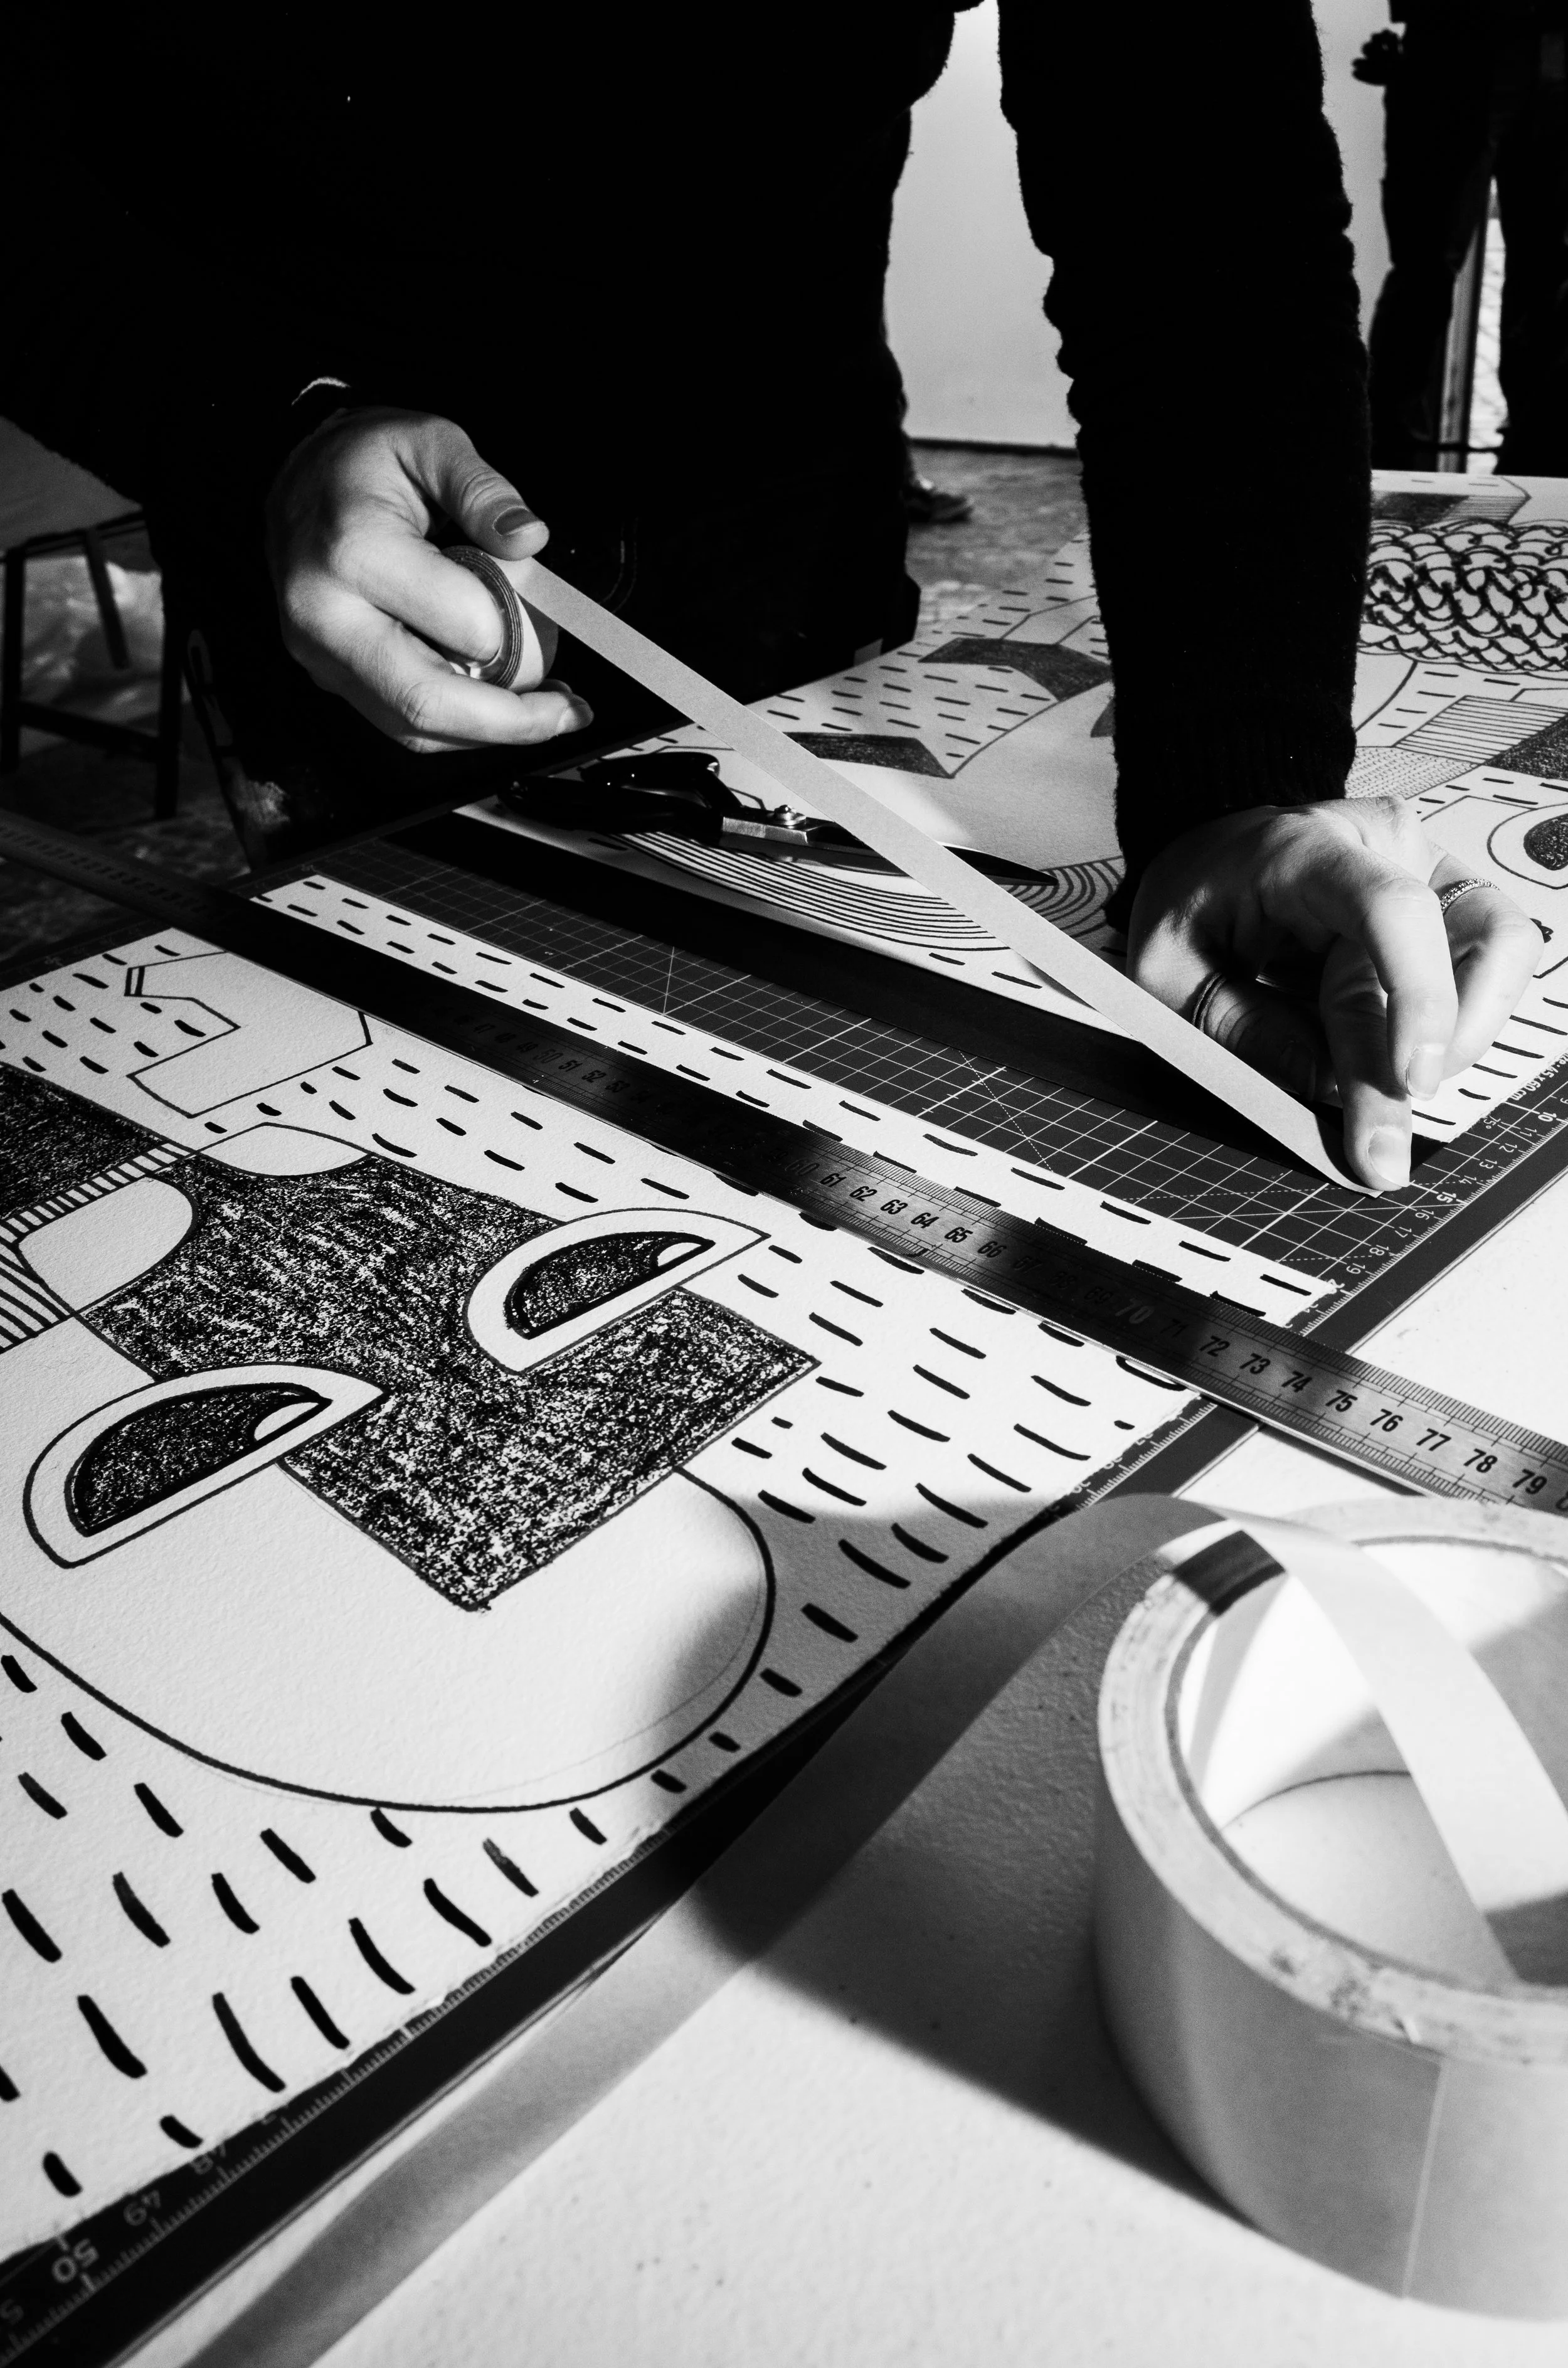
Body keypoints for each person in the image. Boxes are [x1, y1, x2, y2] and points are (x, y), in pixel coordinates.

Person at [6, 6, 1537, 1191]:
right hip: (344, 591)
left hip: (796, 556)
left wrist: (1240, 778)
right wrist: (257, 425)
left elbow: (1200, 220)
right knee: (418, 1106)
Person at [1359, 0, 1568, 472]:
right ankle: (1529, 457)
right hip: (1471, 43)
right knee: (1530, 274)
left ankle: (1389, 453)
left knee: (1433, 272)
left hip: (1462, 43)